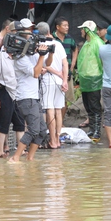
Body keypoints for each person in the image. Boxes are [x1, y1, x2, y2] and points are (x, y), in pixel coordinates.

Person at [7, 33, 53, 163]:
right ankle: (15, 157)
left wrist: (50, 53)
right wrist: (41, 55)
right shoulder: (20, 59)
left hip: (34, 97)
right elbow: (36, 73)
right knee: (33, 130)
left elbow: (47, 64)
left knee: (42, 131)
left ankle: (30, 158)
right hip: (25, 98)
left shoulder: (32, 55)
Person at [0, 29, 26, 158]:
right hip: (4, 92)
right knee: (3, 122)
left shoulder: (17, 57)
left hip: (16, 93)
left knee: (20, 123)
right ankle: (0, 150)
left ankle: (20, 149)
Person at [37, 21, 68, 149]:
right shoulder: (58, 44)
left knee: (50, 109)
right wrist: (65, 79)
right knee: (58, 110)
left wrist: (58, 74)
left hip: (48, 81)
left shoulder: (40, 45)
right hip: (60, 81)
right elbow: (65, 64)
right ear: (49, 31)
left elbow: (44, 66)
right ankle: (58, 139)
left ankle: (53, 140)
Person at [76, 20, 103, 139]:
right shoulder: (86, 43)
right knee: (88, 105)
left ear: (87, 30)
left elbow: (102, 61)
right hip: (85, 80)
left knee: (94, 105)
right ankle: (92, 129)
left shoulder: (97, 43)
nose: (81, 31)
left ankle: (97, 129)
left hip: (94, 79)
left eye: (83, 29)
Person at [53, 17, 78, 120]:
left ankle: (61, 121)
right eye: (64, 25)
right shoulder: (52, 39)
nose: (67, 27)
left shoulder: (69, 38)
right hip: (54, 73)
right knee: (54, 99)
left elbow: (75, 49)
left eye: (67, 25)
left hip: (67, 73)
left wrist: (72, 65)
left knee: (65, 99)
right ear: (57, 27)